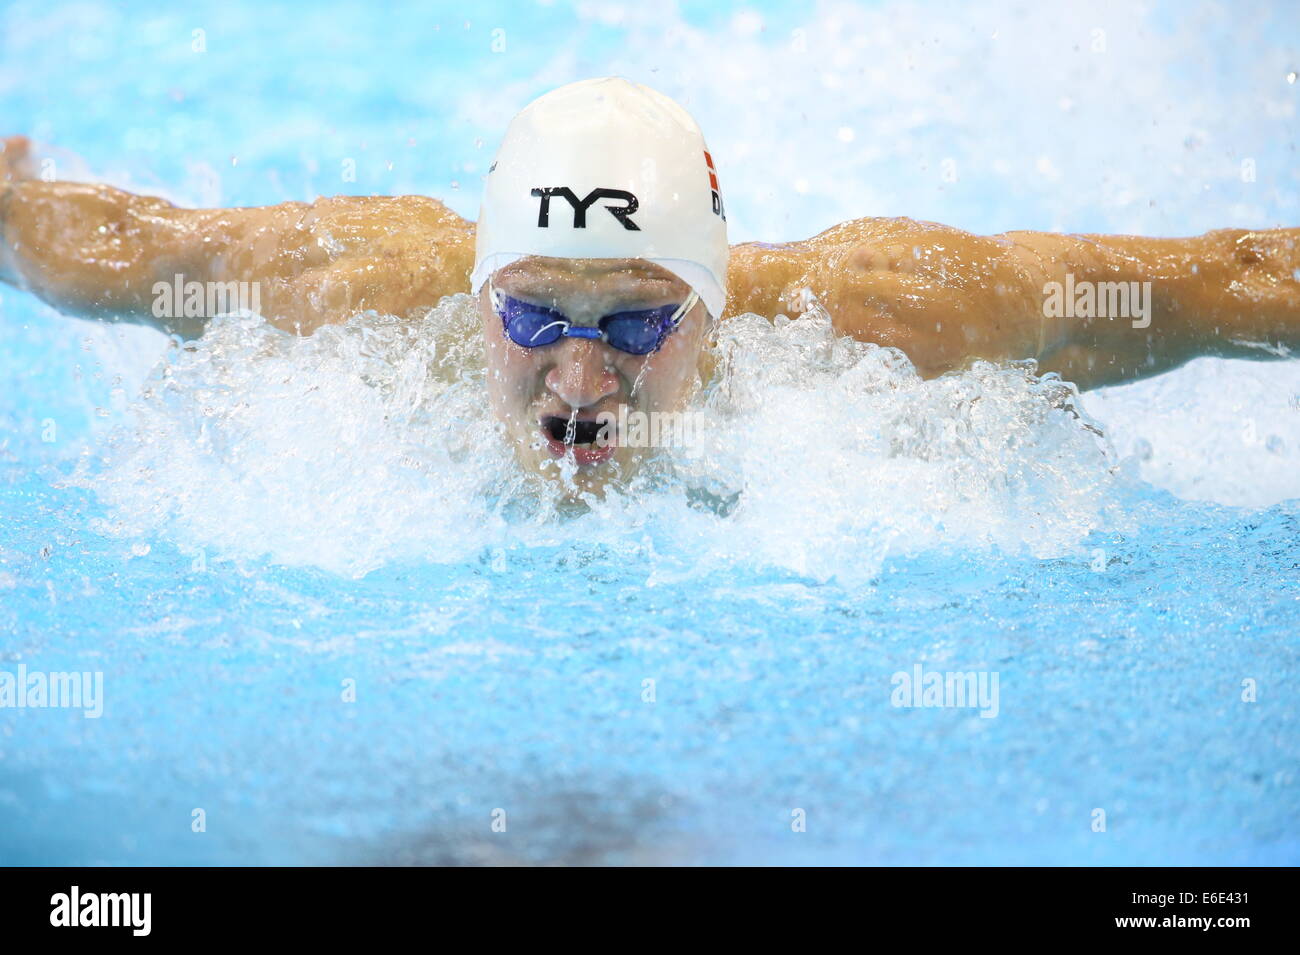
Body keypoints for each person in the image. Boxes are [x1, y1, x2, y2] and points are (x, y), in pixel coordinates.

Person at [2, 77, 1297, 486]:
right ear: (478, 296)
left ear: (712, 307)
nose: (578, 376)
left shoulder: (885, 320)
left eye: (632, 319)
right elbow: (122, 250)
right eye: (533, 315)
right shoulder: (353, 300)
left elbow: (1215, 282)